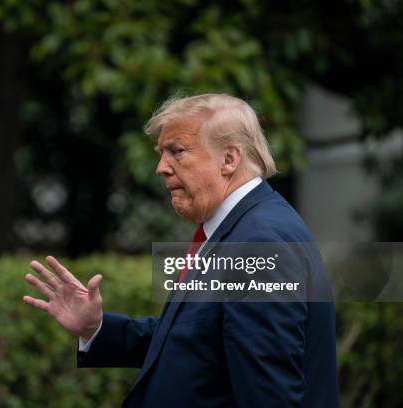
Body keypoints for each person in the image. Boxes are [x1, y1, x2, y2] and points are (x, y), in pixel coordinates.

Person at [23, 93, 339, 407]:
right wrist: (97, 329)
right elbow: (197, 342)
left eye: (177, 151)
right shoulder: (241, 229)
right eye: (161, 153)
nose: (161, 167)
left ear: (229, 159)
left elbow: (269, 397)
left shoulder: (258, 242)